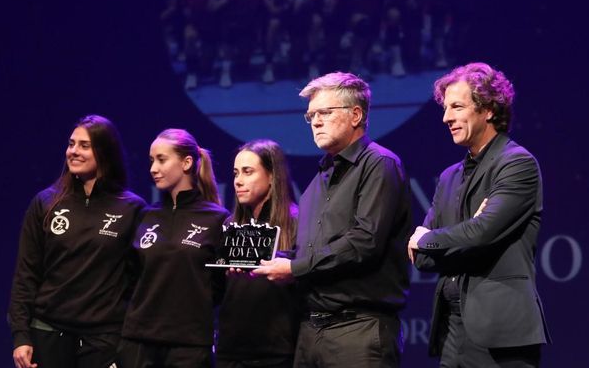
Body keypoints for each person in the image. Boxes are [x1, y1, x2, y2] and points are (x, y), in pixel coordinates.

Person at [253, 72, 412, 368]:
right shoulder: (318, 181)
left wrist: (295, 268)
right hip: (311, 331)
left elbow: (364, 241)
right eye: (311, 115)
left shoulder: (379, 164)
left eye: (325, 112)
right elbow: (310, 252)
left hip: (358, 330)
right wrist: (261, 262)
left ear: (355, 115)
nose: (315, 121)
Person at [408, 63, 550, 367]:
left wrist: (432, 237)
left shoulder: (516, 164)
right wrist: (461, 234)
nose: (446, 117)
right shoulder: (449, 177)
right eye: (446, 108)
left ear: (488, 109)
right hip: (452, 332)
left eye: (457, 106)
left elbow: (484, 232)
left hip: (500, 334)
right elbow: (422, 258)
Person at [8, 115, 146, 368]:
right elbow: (26, 273)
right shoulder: (46, 203)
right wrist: (20, 335)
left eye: (84, 145)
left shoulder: (132, 209)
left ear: (104, 152)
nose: (74, 151)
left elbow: (139, 280)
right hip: (48, 333)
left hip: (103, 340)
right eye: (71, 144)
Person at [119, 128, 230, 368]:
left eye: (161, 159)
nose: (153, 169)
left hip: (188, 346)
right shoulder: (146, 216)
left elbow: (220, 286)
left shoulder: (218, 220)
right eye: (151, 161)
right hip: (139, 343)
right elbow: (130, 278)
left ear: (186, 162)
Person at [216, 139, 302, 368]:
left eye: (248, 172)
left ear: (272, 176)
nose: (238, 181)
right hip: (230, 353)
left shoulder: (297, 223)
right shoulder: (230, 224)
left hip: (276, 354)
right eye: (235, 173)